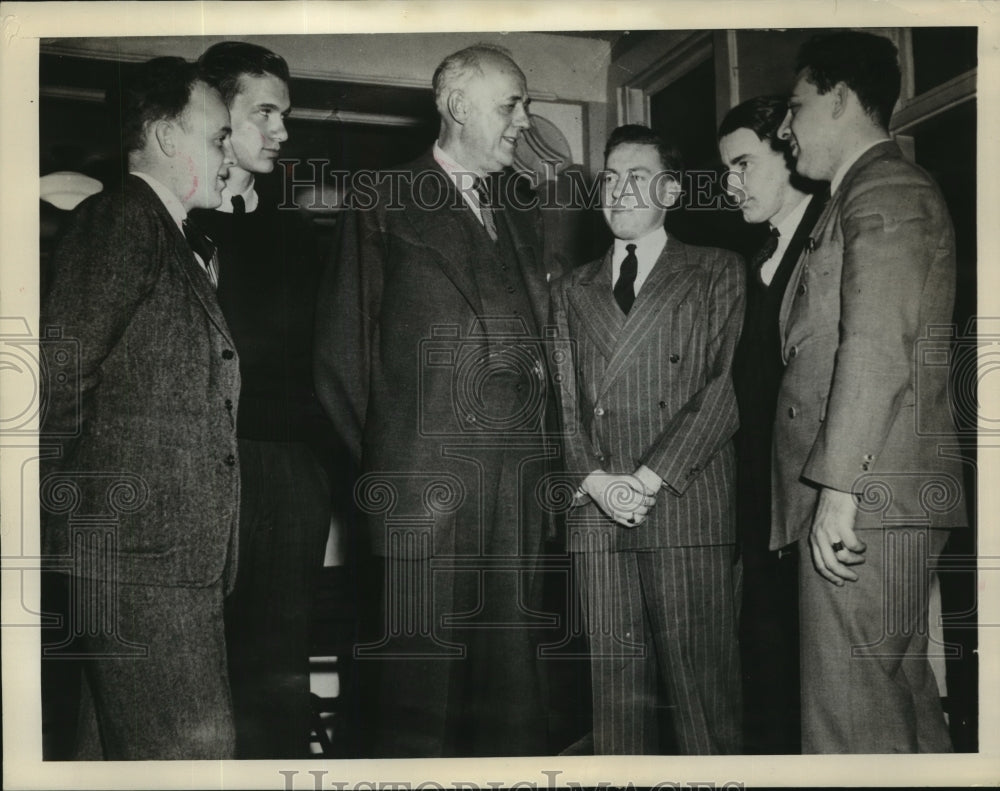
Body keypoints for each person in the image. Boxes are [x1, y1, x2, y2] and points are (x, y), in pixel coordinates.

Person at [314, 43, 562, 757]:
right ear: (456, 105)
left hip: (516, 496)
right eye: (512, 103)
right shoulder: (383, 199)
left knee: (513, 698)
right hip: (422, 496)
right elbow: (340, 359)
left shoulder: (521, 210)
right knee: (416, 699)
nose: (525, 119)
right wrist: (397, 467)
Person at [40, 56, 239, 759]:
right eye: (218, 138)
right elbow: (53, 377)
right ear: (163, 137)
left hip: (149, 557)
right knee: (193, 764)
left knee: (115, 759)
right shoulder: (124, 217)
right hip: (141, 558)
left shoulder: (164, 230)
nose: (229, 156)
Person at [773, 31, 966, 753]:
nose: (786, 129)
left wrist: (838, 490)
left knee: (848, 727)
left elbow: (878, 346)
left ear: (841, 99)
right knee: (899, 709)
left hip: (868, 498)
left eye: (796, 107)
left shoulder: (883, 188)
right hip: (885, 497)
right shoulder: (862, 193)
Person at [551, 124, 745, 755]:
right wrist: (596, 480)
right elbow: (560, 398)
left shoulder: (717, 270)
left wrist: (647, 477)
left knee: (703, 703)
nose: (620, 190)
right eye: (610, 178)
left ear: (672, 188)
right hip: (597, 512)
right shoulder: (569, 288)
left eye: (637, 176)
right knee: (616, 706)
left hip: (685, 506)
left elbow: (726, 388)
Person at [192, 41, 335, 759]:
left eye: (286, 114)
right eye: (266, 111)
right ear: (216, 112)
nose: (282, 130)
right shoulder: (153, 221)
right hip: (185, 474)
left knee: (276, 675)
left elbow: (331, 366)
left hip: (280, 472)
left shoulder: (300, 238)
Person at [717, 95, 828, 753]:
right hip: (761, 515)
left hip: (809, 512)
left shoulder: (831, 238)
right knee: (772, 691)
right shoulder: (754, 254)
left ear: (789, 152)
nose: (731, 184)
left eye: (742, 164)